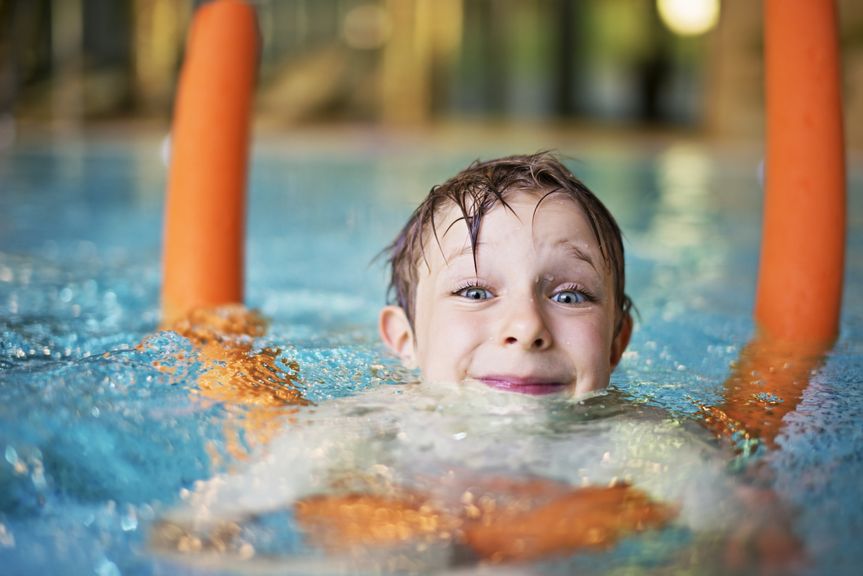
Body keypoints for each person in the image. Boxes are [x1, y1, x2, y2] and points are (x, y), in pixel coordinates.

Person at [378, 151, 632, 397]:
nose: (527, 328)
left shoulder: (648, 435)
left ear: (615, 344)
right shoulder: (367, 429)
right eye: (475, 293)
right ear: (405, 339)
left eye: (569, 297)